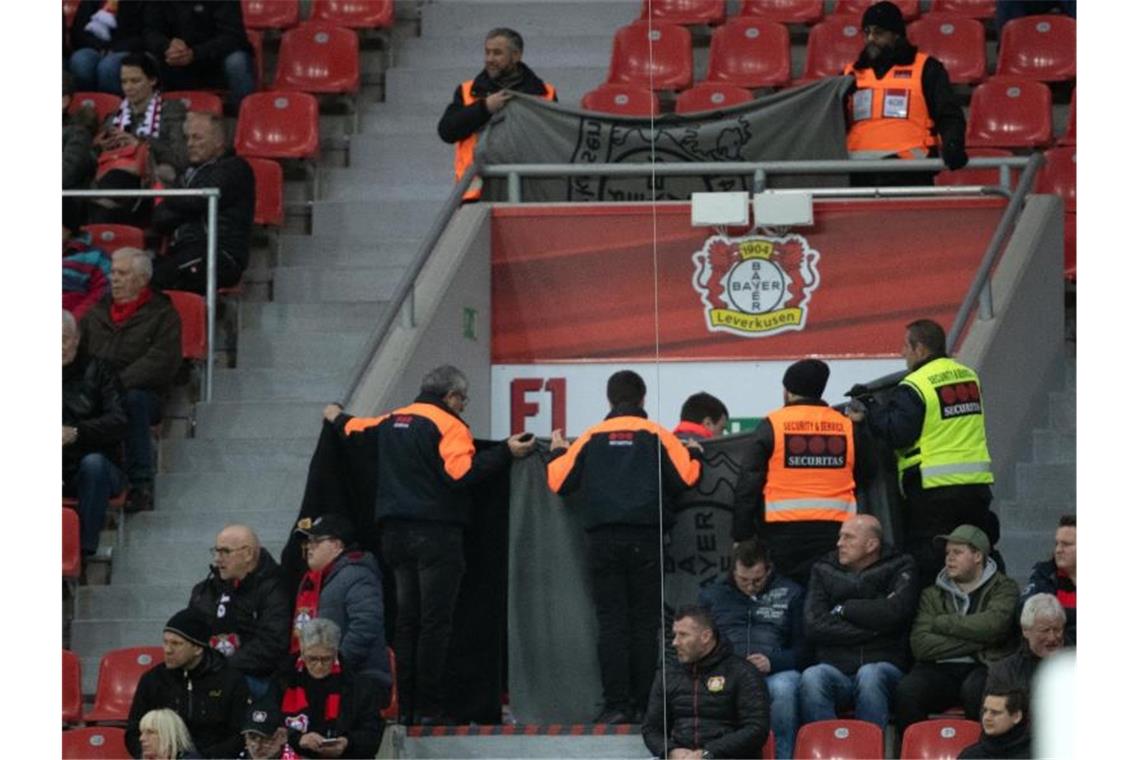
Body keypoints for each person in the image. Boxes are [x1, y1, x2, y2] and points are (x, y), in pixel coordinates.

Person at [324, 365, 534, 724]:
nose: (463, 406)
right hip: (436, 538)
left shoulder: (392, 419)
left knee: (407, 623)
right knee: (435, 624)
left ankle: (405, 708)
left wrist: (335, 415)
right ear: (450, 396)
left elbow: (352, 429)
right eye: (463, 399)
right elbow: (461, 474)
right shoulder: (450, 425)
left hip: (394, 537)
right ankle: (430, 710)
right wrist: (504, 453)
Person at [547, 369, 702, 723]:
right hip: (647, 539)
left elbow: (559, 481)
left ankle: (616, 706)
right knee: (646, 624)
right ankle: (645, 705)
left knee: (612, 623)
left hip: (602, 541)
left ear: (610, 400)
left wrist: (556, 451)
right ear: (643, 399)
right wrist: (696, 455)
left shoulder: (590, 436)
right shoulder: (659, 435)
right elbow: (687, 479)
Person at [847, 318, 995, 586]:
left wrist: (871, 408)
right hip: (976, 487)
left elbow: (898, 434)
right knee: (977, 557)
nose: (902, 352)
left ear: (920, 349)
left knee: (932, 564)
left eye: (906, 346)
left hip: (934, 491)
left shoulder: (916, 384)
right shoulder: (969, 377)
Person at [734, 359, 868, 587]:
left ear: (787, 391)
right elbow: (867, 473)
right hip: (835, 533)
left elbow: (749, 482)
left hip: (783, 534)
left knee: (786, 601)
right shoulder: (847, 426)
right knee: (825, 597)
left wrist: (742, 534)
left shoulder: (772, 424)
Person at [81, 247, 182, 514]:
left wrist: (113, 386)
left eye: (122, 273)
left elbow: (160, 362)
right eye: (113, 272)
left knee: (132, 401)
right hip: (97, 390)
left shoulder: (163, 315)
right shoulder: (95, 313)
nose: (114, 278)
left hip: (143, 393)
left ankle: (140, 484)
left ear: (141, 279)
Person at [799, 514, 919, 732]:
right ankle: (829, 752)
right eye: (840, 537)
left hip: (885, 669)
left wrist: (844, 610)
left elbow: (895, 613)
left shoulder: (901, 565)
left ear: (871, 544)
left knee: (870, 674)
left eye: (848, 538)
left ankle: (868, 752)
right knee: (812, 676)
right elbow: (813, 625)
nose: (839, 543)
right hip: (837, 670)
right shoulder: (823, 569)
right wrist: (875, 628)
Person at [896, 524, 1019, 730]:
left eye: (957, 552)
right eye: (947, 553)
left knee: (977, 690)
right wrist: (982, 638)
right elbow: (921, 645)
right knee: (907, 691)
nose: (949, 558)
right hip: (938, 668)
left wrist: (943, 623)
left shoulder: (1004, 588)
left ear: (978, 556)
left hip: (983, 666)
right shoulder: (931, 594)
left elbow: (995, 626)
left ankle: (976, 753)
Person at [699, 539, 806, 759]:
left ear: (769, 569)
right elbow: (700, 645)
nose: (750, 586)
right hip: (728, 670)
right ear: (733, 571)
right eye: (743, 579)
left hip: (775, 672)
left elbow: (806, 650)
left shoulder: (792, 593)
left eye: (757, 580)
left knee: (785, 688)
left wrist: (773, 661)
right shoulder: (712, 595)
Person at [843, 1, 967, 185]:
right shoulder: (850, 74)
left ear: (896, 35)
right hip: (858, 171)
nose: (870, 39)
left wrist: (953, 144)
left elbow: (949, 114)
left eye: (879, 33)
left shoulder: (927, 68)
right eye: (867, 32)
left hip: (912, 171)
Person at [437, 27, 557, 200]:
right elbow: (447, 132)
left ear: (516, 56)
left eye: (497, 53)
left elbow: (552, 143)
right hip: (477, 195)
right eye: (487, 53)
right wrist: (484, 108)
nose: (489, 59)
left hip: (528, 192)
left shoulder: (545, 93)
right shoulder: (467, 91)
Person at [642, 606, 769, 759]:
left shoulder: (743, 672)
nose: (675, 642)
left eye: (683, 635)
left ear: (706, 636)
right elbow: (651, 728)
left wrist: (708, 753)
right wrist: (671, 751)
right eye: (675, 635)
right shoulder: (668, 674)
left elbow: (756, 729)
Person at [290, 515, 392, 706]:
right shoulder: (316, 581)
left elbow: (366, 625)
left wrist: (334, 665)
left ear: (336, 545)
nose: (309, 547)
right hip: (325, 678)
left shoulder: (358, 574)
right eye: (308, 542)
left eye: (316, 541)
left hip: (358, 680)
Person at [150, 111, 254, 293]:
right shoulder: (187, 175)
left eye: (197, 138)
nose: (190, 144)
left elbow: (199, 201)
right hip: (182, 251)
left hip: (220, 254)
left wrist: (173, 197)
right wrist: (181, 200)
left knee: (157, 279)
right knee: (139, 272)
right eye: (188, 138)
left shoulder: (235, 168)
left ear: (219, 141)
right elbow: (160, 219)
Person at [126, 608, 250, 758]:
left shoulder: (231, 680)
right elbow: (133, 731)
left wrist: (204, 758)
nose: (167, 650)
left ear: (197, 648)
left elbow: (239, 735)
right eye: (165, 642)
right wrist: (146, 755)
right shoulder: (152, 680)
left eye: (176, 644)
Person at [188, 524, 293, 698]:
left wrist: (221, 667)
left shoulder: (275, 588)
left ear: (248, 554)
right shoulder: (204, 590)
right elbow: (190, 633)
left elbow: (272, 645)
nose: (217, 559)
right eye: (216, 551)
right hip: (211, 672)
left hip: (258, 677)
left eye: (225, 552)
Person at [90, 52, 188, 226]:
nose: (128, 88)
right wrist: (98, 146)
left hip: (152, 180)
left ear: (152, 80)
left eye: (135, 81)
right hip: (112, 178)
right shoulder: (114, 117)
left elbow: (180, 158)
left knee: (114, 183)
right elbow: (94, 158)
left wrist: (141, 144)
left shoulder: (172, 111)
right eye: (124, 82)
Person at [63, 309, 128, 557]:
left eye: (63, 339)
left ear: (77, 338)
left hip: (97, 465)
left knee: (94, 464)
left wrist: (77, 433)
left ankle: (82, 551)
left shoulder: (100, 371)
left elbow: (119, 421)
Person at [276, 618, 384, 759]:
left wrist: (347, 743)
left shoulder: (358, 687)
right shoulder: (283, 678)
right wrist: (298, 739)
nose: (319, 665)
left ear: (336, 653)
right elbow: (270, 723)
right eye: (312, 659)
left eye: (326, 659)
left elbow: (372, 734)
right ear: (302, 651)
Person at [142, 0, 255, 109]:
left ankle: (243, 117)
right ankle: (145, 119)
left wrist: (195, 53)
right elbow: (150, 31)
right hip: (171, 60)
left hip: (215, 61)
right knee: (141, 60)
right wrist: (166, 46)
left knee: (237, 62)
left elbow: (234, 36)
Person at [986, 593, 1066, 695]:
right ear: (1026, 631)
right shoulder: (1005, 673)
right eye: (1044, 631)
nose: (1052, 637)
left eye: (1057, 630)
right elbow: (994, 710)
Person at [67, 0, 146, 94]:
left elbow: (143, 33)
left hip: (125, 49)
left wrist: (113, 49)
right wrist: (100, 47)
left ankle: (112, 105)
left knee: (108, 67)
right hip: (93, 46)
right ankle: (86, 104)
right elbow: (78, 31)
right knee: (80, 60)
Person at [1020, 514, 1076, 645]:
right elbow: (1027, 612)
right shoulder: (1044, 575)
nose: (1058, 550)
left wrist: (1056, 615)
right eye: (1057, 544)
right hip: (1051, 657)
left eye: (1066, 544)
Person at [957, 688, 1033, 759]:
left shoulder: (1038, 753)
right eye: (985, 711)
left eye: (995, 713)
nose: (986, 717)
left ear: (1016, 717)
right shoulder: (970, 756)